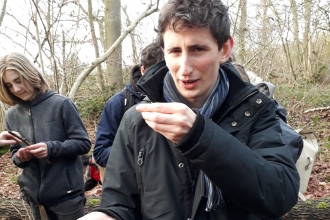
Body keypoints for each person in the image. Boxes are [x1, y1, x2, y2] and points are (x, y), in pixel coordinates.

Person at [80, 0, 299, 219]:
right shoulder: (136, 120)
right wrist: (104, 216)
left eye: (198, 49)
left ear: (224, 49)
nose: (185, 68)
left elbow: (279, 195)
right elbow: (120, 205)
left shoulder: (256, 111)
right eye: (175, 51)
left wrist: (199, 137)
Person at [0, 52, 91, 220]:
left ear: (30, 74)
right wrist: (21, 157)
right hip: (35, 198)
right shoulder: (11, 115)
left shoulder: (61, 104)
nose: (16, 89)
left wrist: (51, 148)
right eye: (9, 85)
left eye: (18, 80)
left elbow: (83, 144)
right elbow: (14, 157)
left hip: (67, 197)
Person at [93, 41, 164, 182]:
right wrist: (139, 156)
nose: (162, 79)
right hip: (132, 186)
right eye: (156, 73)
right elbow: (101, 152)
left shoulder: (181, 99)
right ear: (143, 70)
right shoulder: (119, 103)